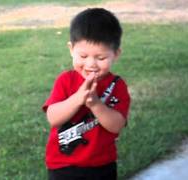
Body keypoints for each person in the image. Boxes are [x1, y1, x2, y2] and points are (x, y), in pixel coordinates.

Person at [42, 8, 131, 180]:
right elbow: (53, 118)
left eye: (101, 58)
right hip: (62, 164)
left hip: (101, 165)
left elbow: (116, 125)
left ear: (116, 54)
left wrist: (95, 104)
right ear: (71, 49)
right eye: (83, 56)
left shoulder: (117, 85)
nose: (91, 64)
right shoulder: (65, 80)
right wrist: (77, 98)